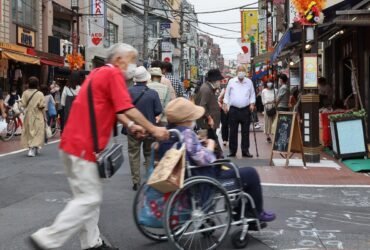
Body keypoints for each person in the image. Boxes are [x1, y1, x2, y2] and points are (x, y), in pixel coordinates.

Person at [29, 43, 169, 250]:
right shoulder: (112, 75)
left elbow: (115, 108)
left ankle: (91, 243)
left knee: (88, 199)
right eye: (132, 60)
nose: (133, 65)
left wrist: (131, 125)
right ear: (120, 60)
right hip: (84, 146)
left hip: (74, 144)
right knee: (89, 198)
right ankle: (47, 239)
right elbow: (127, 107)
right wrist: (153, 128)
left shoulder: (97, 74)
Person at [160, 98, 276, 222]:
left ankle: (243, 212)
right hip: (206, 175)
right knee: (250, 173)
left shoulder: (170, 133)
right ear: (185, 119)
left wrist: (198, 143)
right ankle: (255, 212)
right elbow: (202, 159)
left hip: (189, 175)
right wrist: (209, 146)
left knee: (234, 168)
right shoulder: (187, 134)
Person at [128, 66, 163, 191]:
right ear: (146, 79)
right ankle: (149, 179)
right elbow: (158, 110)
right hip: (149, 128)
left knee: (133, 154)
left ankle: (136, 181)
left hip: (133, 128)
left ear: (135, 80)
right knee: (149, 153)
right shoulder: (153, 93)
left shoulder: (129, 92)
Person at [223, 65, 256, 158]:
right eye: (239, 70)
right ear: (237, 72)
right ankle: (232, 151)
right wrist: (225, 104)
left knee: (245, 131)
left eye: (243, 70)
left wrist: (252, 103)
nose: (241, 72)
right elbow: (227, 95)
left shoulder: (249, 82)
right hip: (234, 109)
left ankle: (245, 151)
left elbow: (252, 94)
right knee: (233, 131)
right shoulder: (231, 81)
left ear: (245, 72)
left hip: (245, 109)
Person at [196, 69, 224, 158]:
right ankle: (216, 157)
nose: (220, 82)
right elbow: (202, 105)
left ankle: (216, 156)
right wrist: (209, 118)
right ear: (214, 80)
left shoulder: (209, 88)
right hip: (207, 122)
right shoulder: (206, 89)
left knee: (211, 140)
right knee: (211, 140)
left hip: (209, 122)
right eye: (219, 80)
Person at [20, 77, 46, 157]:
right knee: (38, 131)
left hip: (28, 115)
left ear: (29, 84)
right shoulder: (40, 94)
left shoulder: (25, 93)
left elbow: (22, 104)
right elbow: (42, 106)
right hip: (38, 114)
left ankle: (32, 148)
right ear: (37, 84)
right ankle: (34, 147)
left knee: (29, 131)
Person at [218, 79, 230, 146]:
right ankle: (224, 139)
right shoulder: (224, 90)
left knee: (231, 125)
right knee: (224, 125)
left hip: (232, 109)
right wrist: (223, 104)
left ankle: (229, 139)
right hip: (224, 109)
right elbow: (219, 99)